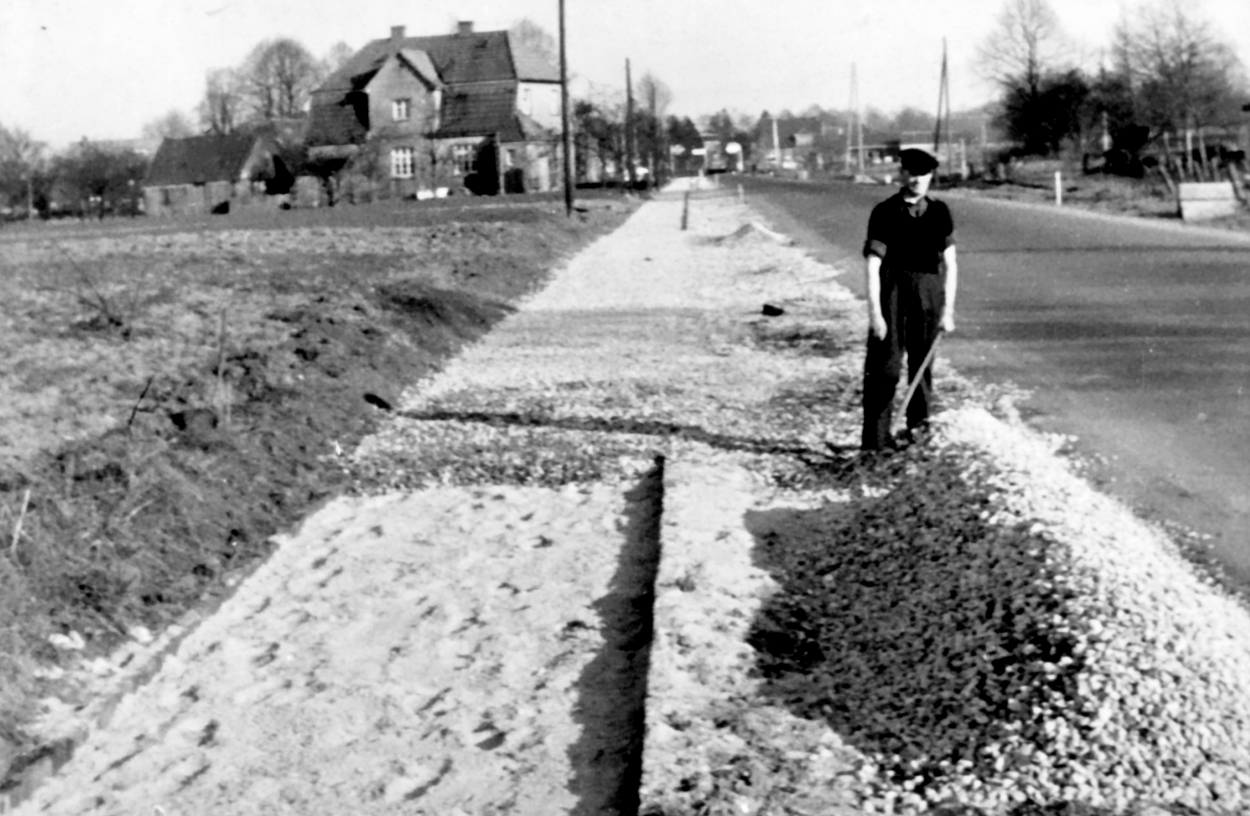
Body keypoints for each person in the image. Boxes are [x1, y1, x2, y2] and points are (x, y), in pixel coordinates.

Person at [860, 148, 958, 452]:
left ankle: (918, 437)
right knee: (885, 369)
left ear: (931, 177)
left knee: (922, 368)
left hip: (929, 295)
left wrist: (948, 311)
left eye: (924, 174)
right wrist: (876, 314)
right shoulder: (885, 211)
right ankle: (875, 445)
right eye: (912, 173)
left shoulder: (939, 212)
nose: (917, 180)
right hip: (892, 293)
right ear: (903, 174)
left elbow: (951, 263)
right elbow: (872, 265)